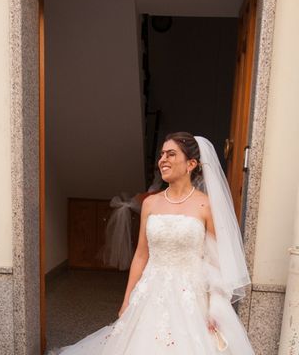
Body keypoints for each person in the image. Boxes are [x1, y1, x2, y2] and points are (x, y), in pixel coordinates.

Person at [54, 132, 254, 354]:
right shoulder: (150, 204)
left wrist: (215, 309)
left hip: (190, 297)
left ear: (191, 164)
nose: (163, 160)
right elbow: (141, 255)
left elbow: (217, 261)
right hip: (151, 291)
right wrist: (127, 299)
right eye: (161, 155)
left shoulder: (205, 206)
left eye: (171, 154)